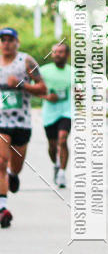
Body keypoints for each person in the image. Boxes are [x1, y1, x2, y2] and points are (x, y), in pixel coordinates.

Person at [0, 27, 47, 227]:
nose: (6, 43)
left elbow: (43, 88)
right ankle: (2, 208)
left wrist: (20, 84)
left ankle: (13, 175)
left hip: (22, 123)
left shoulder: (26, 61)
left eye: (10, 39)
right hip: (1, 122)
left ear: (17, 42)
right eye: (2, 40)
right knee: (1, 161)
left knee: (15, 167)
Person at [40, 42, 72, 187]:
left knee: (62, 139)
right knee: (52, 146)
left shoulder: (74, 72)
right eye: (55, 52)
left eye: (60, 52)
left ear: (67, 55)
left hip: (67, 112)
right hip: (49, 114)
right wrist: (47, 97)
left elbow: (80, 92)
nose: (57, 54)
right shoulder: (44, 71)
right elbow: (35, 89)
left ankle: (62, 174)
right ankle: (56, 164)